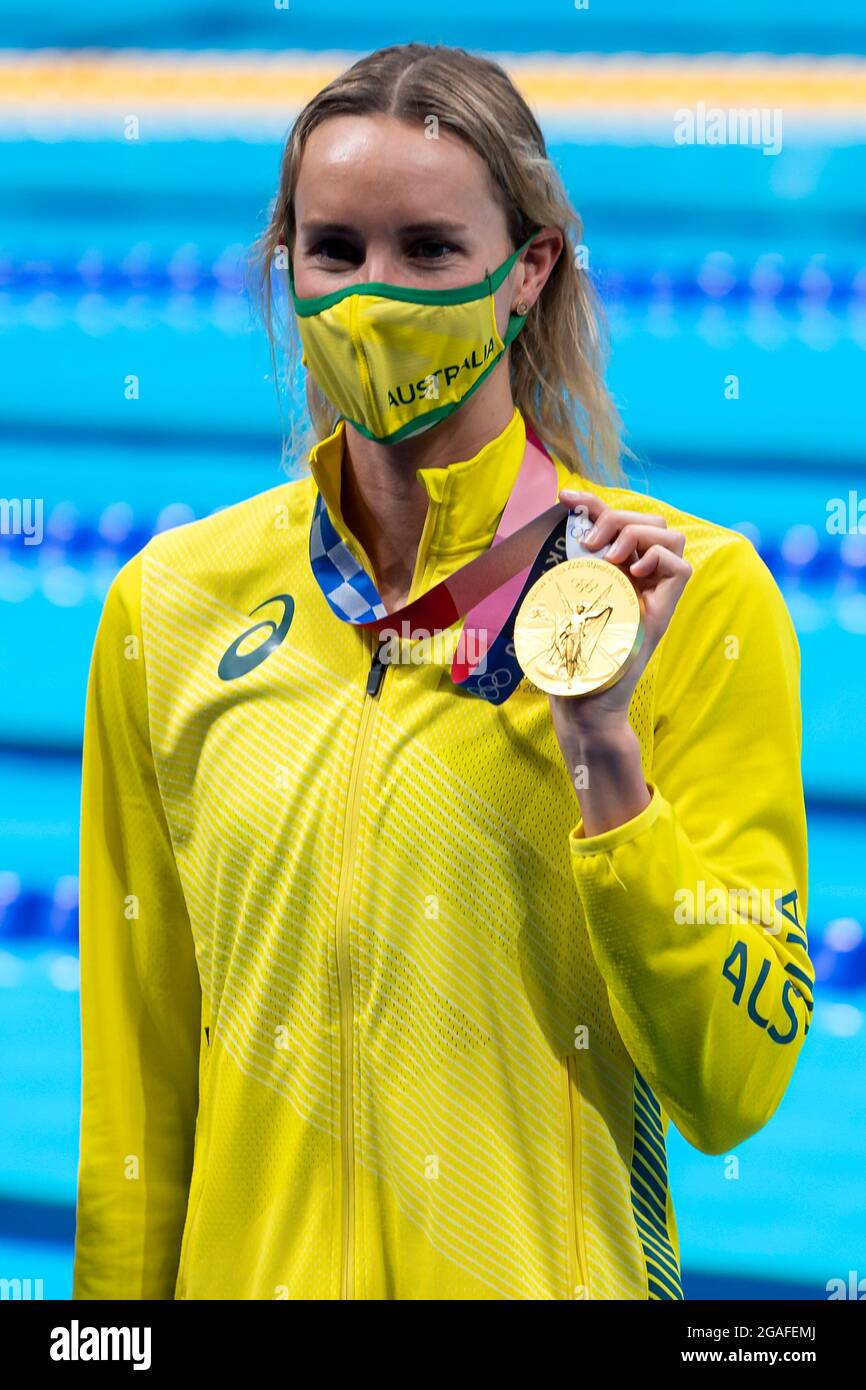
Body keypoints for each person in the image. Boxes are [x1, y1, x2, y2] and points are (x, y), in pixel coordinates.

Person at [72, 42, 812, 1301]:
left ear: (526, 273)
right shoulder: (170, 607)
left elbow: (730, 1087)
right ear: (286, 267)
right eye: (334, 252)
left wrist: (604, 754)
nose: (371, 298)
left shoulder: (689, 598)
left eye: (426, 251)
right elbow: (136, 1099)